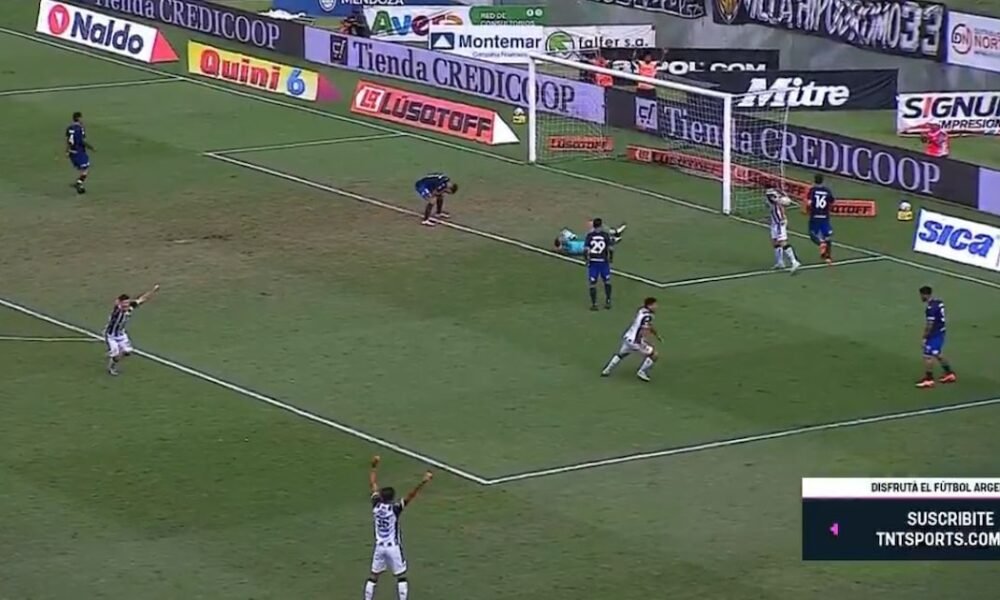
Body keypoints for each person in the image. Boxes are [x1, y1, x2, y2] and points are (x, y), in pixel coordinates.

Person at [364, 455, 433, 600]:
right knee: (401, 576)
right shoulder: (394, 509)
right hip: (393, 547)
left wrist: (374, 467)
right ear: (392, 498)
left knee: (373, 576)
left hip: (379, 547)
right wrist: (423, 481)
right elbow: (411, 495)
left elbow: (373, 484)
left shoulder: (376, 505)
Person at [601, 297, 661, 382]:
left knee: (621, 354)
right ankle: (641, 372)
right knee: (654, 355)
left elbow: (648, 325)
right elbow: (644, 330)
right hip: (636, 342)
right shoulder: (647, 316)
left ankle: (607, 370)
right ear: (649, 306)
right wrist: (649, 342)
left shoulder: (641, 310)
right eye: (654, 305)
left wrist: (655, 334)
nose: (656, 306)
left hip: (628, 337)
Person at [105, 284, 159, 376]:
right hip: (111, 336)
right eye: (124, 303)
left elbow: (142, 299)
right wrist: (118, 302)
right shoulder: (117, 310)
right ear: (120, 303)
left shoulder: (129, 308)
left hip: (121, 335)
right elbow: (116, 304)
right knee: (116, 354)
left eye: (127, 302)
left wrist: (153, 291)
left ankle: (114, 356)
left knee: (128, 352)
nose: (126, 304)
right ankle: (112, 367)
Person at [916, 286, 957, 388]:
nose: (921, 297)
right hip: (941, 331)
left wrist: (925, 337)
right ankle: (950, 374)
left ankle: (929, 379)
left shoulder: (930, 308)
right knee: (937, 353)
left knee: (927, 355)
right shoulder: (938, 302)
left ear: (925, 295)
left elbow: (930, 324)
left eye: (921, 295)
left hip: (935, 334)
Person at [765, 188, 801, 273]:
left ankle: (794, 262)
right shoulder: (773, 201)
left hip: (779, 223)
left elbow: (785, 203)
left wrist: (780, 199)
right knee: (775, 242)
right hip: (774, 223)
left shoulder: (778, 201)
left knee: (782, 242)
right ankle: (780, 262)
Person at [584, 218, 615, 310]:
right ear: (601, 225)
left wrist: (586, 260)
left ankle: (594, 304)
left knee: (592, 283)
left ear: (593, 226)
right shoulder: (605, 235)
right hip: (603, 262)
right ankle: (608, 301)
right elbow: (611, 249)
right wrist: (611, 259)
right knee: (607, 281)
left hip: (593, 262)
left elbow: (586, 250)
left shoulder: (589, 236)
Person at [806, 174, 835, 264]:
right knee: (827, 236)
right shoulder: (827, 190)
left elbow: (809, 203)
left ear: (814, 180)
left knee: (812, 234)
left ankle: (821, 243)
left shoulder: (813, 190)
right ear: (823, 181)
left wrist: (808, 209)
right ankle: (828, 257)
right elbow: (832, 201)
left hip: (815, 216)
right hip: (825, 216)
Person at [554, 221, 625, 256]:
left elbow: (570, 237)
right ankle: (614, 235)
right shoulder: (567, 247)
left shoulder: (568, 246)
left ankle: (614, 235)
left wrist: (564, 233)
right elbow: (562, 244)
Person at [66, 111, 93, 194]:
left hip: (72, 152)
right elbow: (81, 141)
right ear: (78, 118)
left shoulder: (69, 128)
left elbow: (68, 140)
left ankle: (79, 184)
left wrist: (67, 150)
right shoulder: (80, 128)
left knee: (82, 168)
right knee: (85, 168)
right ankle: (79, 183)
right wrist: (90, 147)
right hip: (79, 151)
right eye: (81, 118)